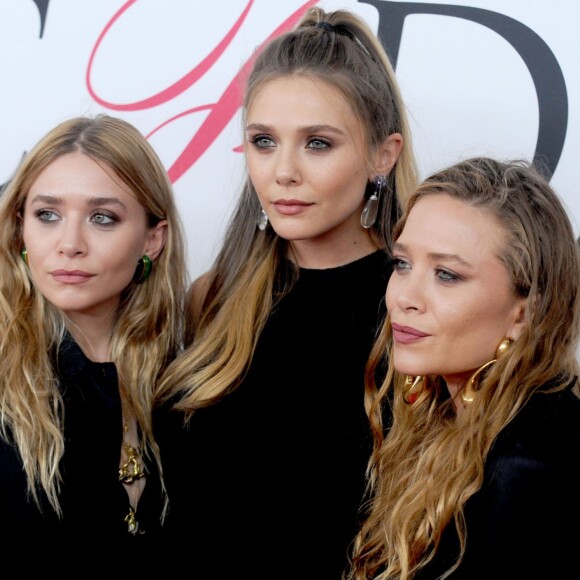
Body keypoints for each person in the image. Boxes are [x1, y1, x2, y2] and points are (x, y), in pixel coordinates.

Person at [153, 6, 418, 578]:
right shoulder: (214, 299)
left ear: (383, 155)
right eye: (264, 141)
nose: (283, 172)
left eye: (318, 143)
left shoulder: (414, 311)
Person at [347, 157, 580, 579]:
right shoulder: (451, 422)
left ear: (524, 312)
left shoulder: (531, 469)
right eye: (402, 264)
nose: (405, 297)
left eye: (447, 275)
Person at [0, 114, 187, 555]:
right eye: (47, 214)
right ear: (21, 227)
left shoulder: (180, 382)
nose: (69, 242)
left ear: (152, 239)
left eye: (102, 217)